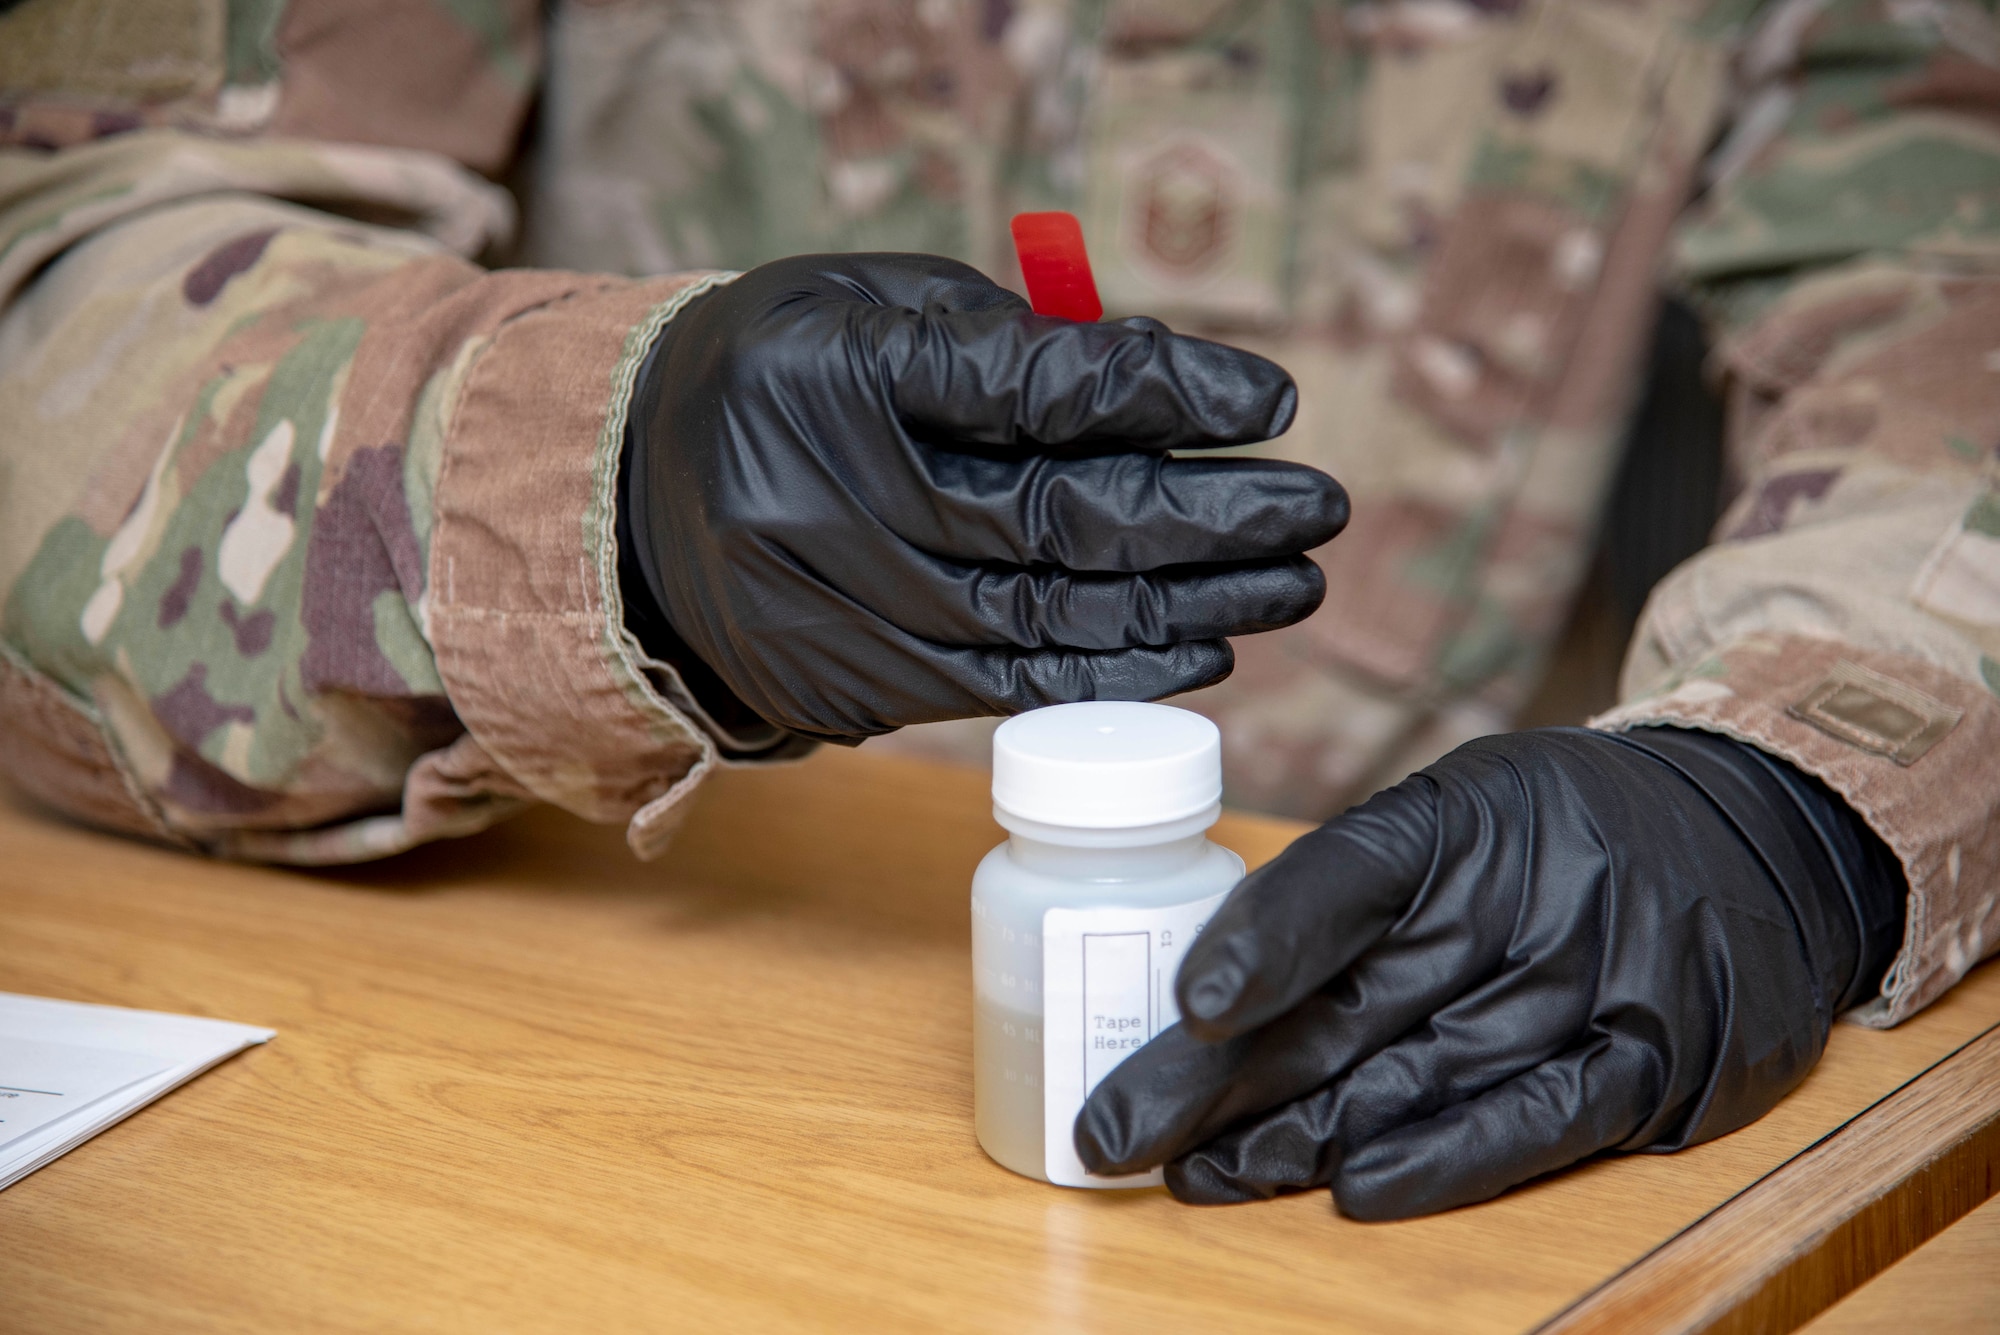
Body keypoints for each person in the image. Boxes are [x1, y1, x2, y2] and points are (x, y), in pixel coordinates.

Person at [1, 0, 1995, 1220]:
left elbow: (1957, 294)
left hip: (1409, 1028)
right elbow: (67, 282)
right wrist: (592, 485)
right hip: (595, 1007)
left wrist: (1792, 779)